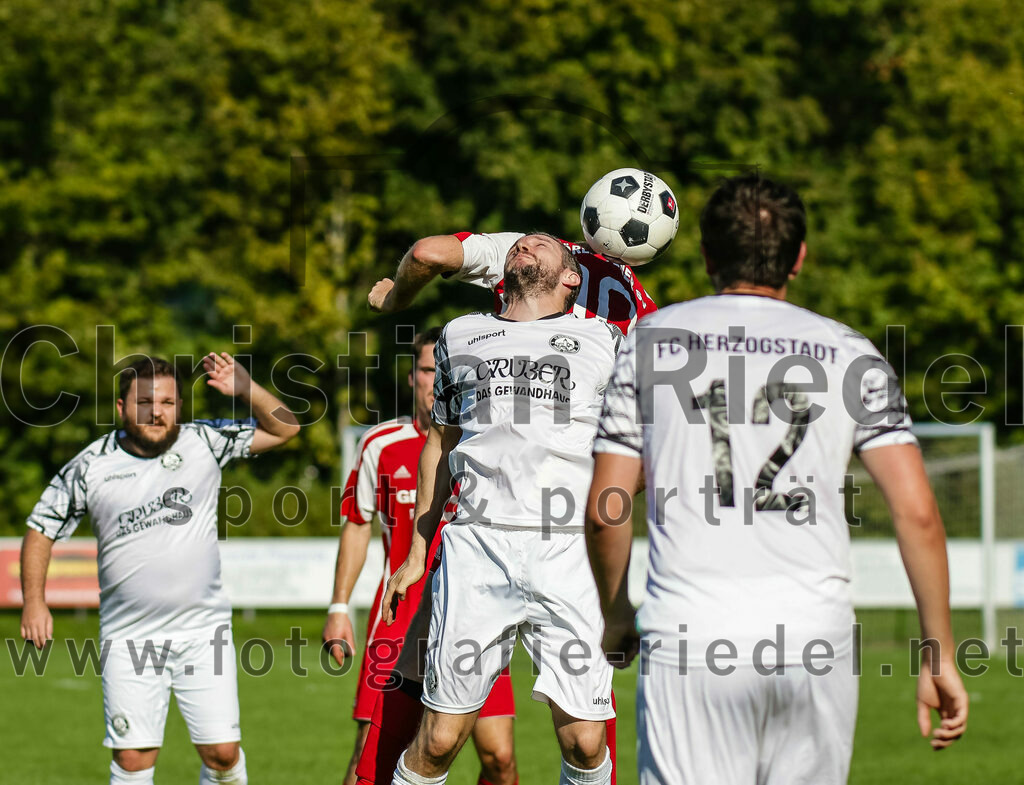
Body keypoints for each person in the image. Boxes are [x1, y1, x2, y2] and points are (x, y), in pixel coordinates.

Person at [585, 173, 969, 785]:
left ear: (707, 254)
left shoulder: (649, 343)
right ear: (799, 259)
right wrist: (939, 651)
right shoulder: (850, 351)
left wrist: (615, 616)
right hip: (814, 641)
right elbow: (918, 512)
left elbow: (607, 506)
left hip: (690, 637)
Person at [354, 229, 651, 785]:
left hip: (567, 550)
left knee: (586, 742)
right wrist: (417, 552)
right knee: (440, 738)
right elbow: (440, 445)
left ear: (571, 279)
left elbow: (642, 450)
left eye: (542, 245)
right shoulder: (460, 335)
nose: (526, 245)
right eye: (521, 242)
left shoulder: (605, 341)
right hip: (476, 544)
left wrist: (602, 504)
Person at [20, 353, 300, 785]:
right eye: (145, 402)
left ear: (180, 408)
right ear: (120, 408)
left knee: (223, 754)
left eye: (168, 403)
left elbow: (286, 427)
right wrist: (34, 603)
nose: (157, 412)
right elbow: (40, 528)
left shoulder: (204, 441)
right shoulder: (91, 465)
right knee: (134, 759)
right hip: (128, 635)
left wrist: (247, 389)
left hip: (203, 631)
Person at [323, 327, 517, 785]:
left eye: (445, 371)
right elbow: (356, 523)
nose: (436, 380)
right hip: (400, 614)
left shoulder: (484, 443)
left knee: (500, 756)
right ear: (414, 377)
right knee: (369, 752)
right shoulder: (381, 445)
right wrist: (337, 608)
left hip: (474, 613)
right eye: (430, 370)